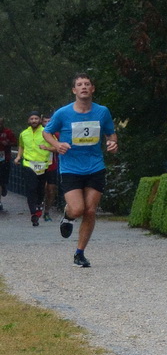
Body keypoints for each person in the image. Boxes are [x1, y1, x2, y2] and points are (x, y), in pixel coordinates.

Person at [43, 74, 119, 266]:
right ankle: (68, 216)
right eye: (79, 84)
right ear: (74, 90)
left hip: (95, 166)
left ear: (92, 89)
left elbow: (111, 134)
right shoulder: (63, 113)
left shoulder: (102, 112)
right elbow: (46, 132)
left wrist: (112, 144)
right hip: (71, 167)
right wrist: (57, 144)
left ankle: (79, 253)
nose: (83, 87)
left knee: (90, 211)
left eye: (87, 84)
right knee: (78, 209)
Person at [18, 111, 51, 225]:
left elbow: (55, 145)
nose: (34, 121)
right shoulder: (23, 134)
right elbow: (21, 146)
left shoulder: (46, 132)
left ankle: (38, 206)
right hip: (28, 164)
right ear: (28, 120)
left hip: (43, 164)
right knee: (31, 188)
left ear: (40, 120)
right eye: (31, 119)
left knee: (40, 189)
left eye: (36, 118)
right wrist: (18, 157)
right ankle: (33, 213)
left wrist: (47, 148)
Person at [0, 115, 14, 213]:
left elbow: (15, 143)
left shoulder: (8, 132)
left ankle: (3, 186)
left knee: (2, 180)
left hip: (4, 160)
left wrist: (7, 143)